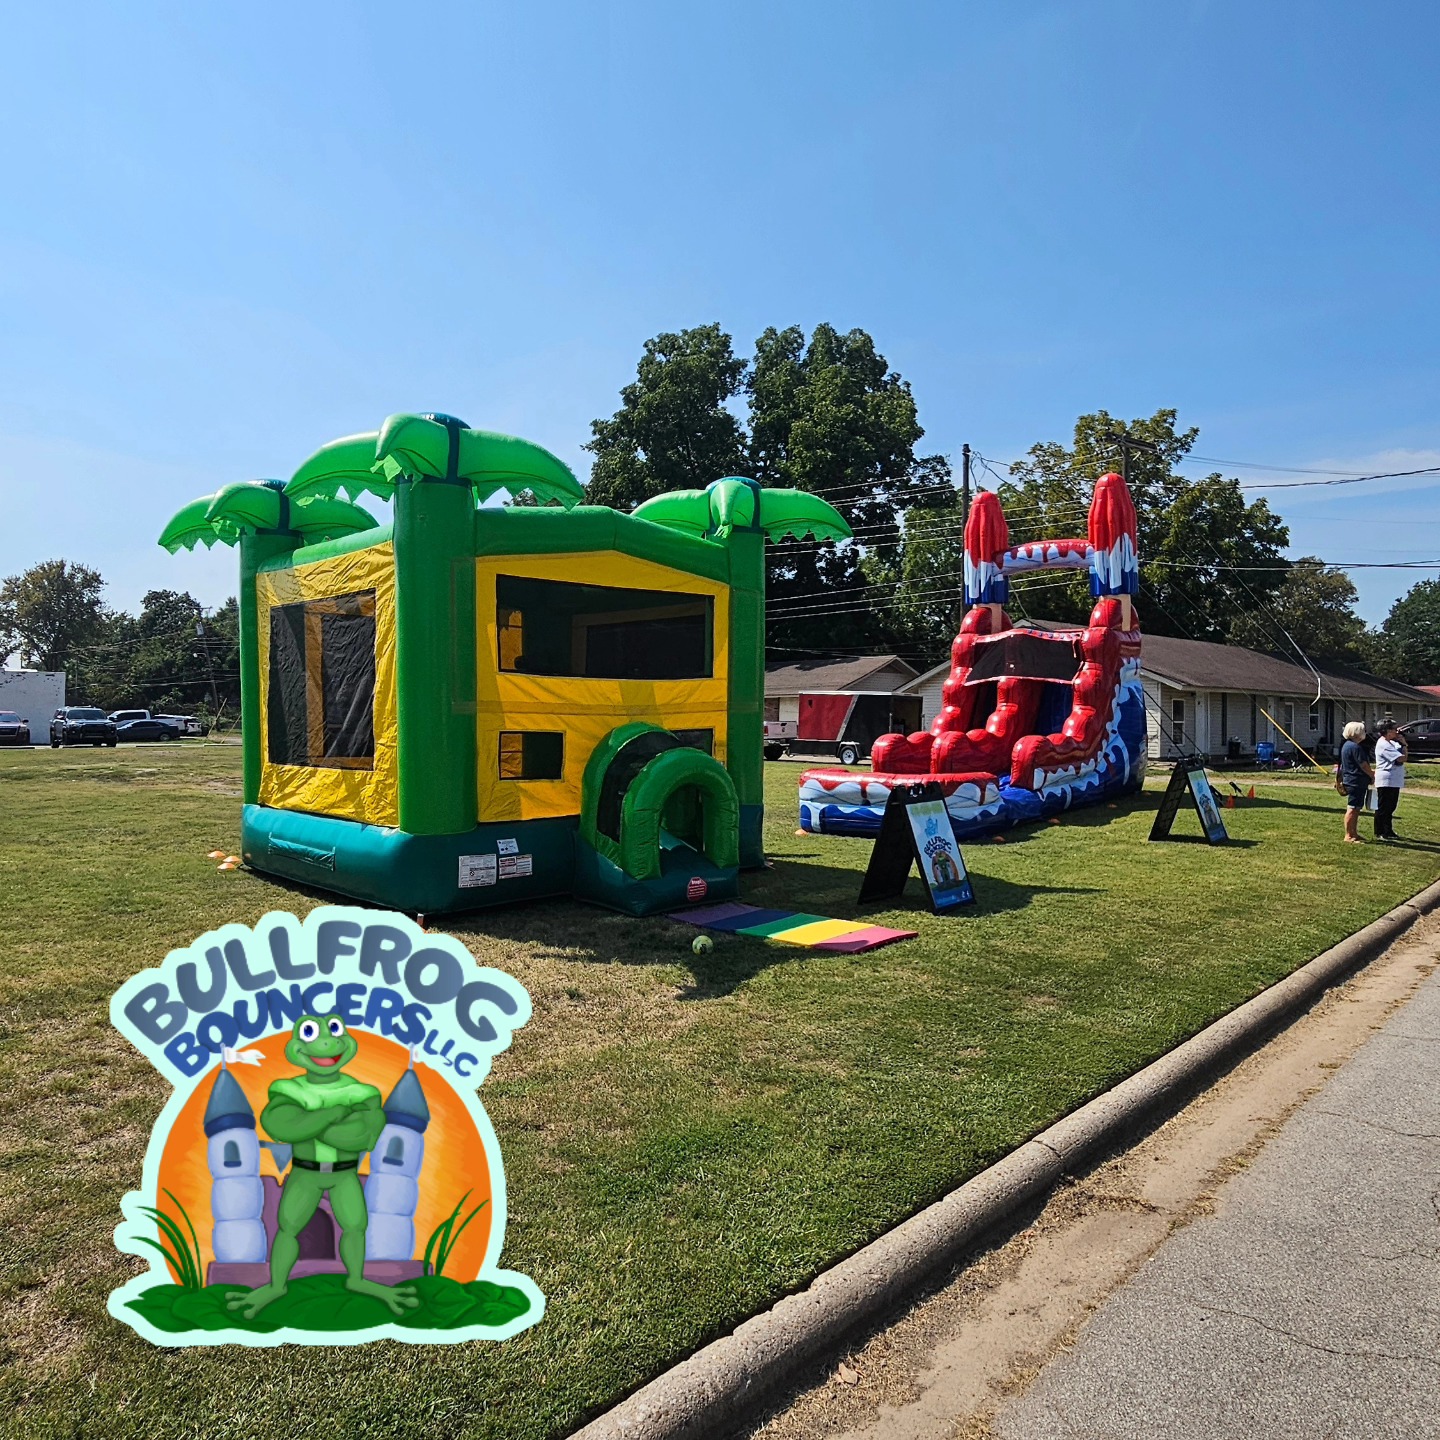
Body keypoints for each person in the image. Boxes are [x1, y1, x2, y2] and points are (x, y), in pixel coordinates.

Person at [1372, 718, 1407, 840]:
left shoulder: (1392, 743)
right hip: (1386, 779)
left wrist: (1402, 742)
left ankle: (1388, 830)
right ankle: (1380, 831)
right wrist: (1404, 745)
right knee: (1384, 807)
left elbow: (1402, 754)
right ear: (1387, 731)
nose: (1396, 731)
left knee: (1391, 807)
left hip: (1394, 779)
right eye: (1393, 729)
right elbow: (1401, 758)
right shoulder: (1384, 744)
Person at [1338, 720, 1373, 843]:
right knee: (1352, 808)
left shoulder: (1347, 745)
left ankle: (1354, 833)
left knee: (1357, 808)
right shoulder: (1355, 747)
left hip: (1353, 780)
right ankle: (1348, 835)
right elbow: (1363, 765)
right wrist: (1372, 774)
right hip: (1355, 781)